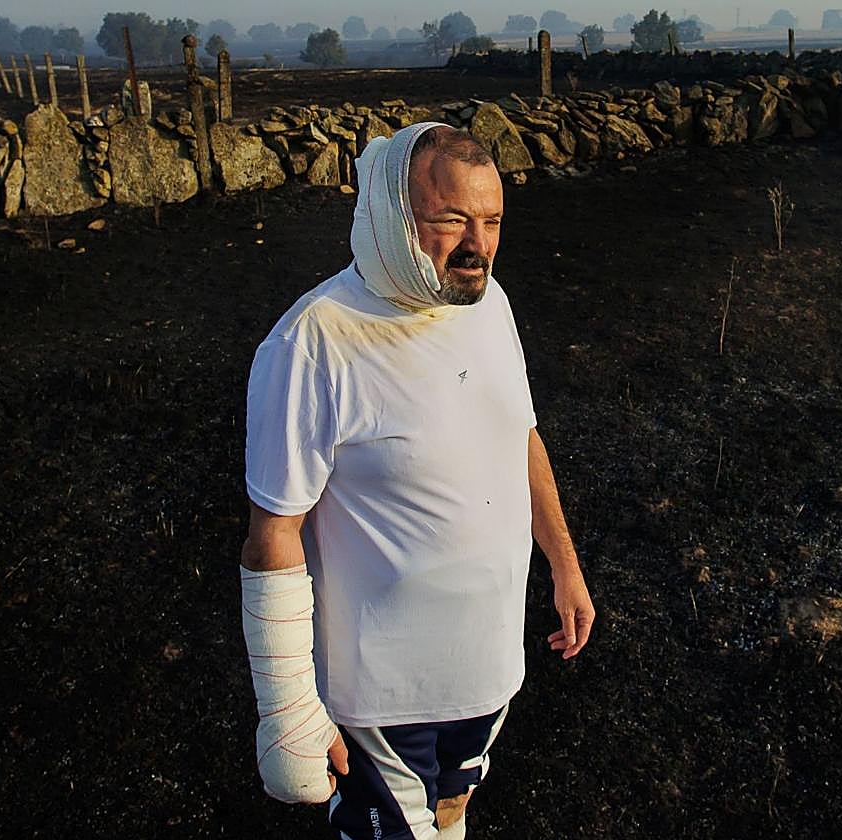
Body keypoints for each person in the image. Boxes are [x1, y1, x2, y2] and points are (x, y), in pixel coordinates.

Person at [239, 121, 596, 840]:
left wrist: (565, 563)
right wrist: (287, 708)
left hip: (488, 669)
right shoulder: (314, 341)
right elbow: (273, 531)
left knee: (452, 813)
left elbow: (520, 435)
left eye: (492, 221)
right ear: (393, 214)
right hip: (381, 695)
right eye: (451, 220)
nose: (478, 245)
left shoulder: (488, 304)